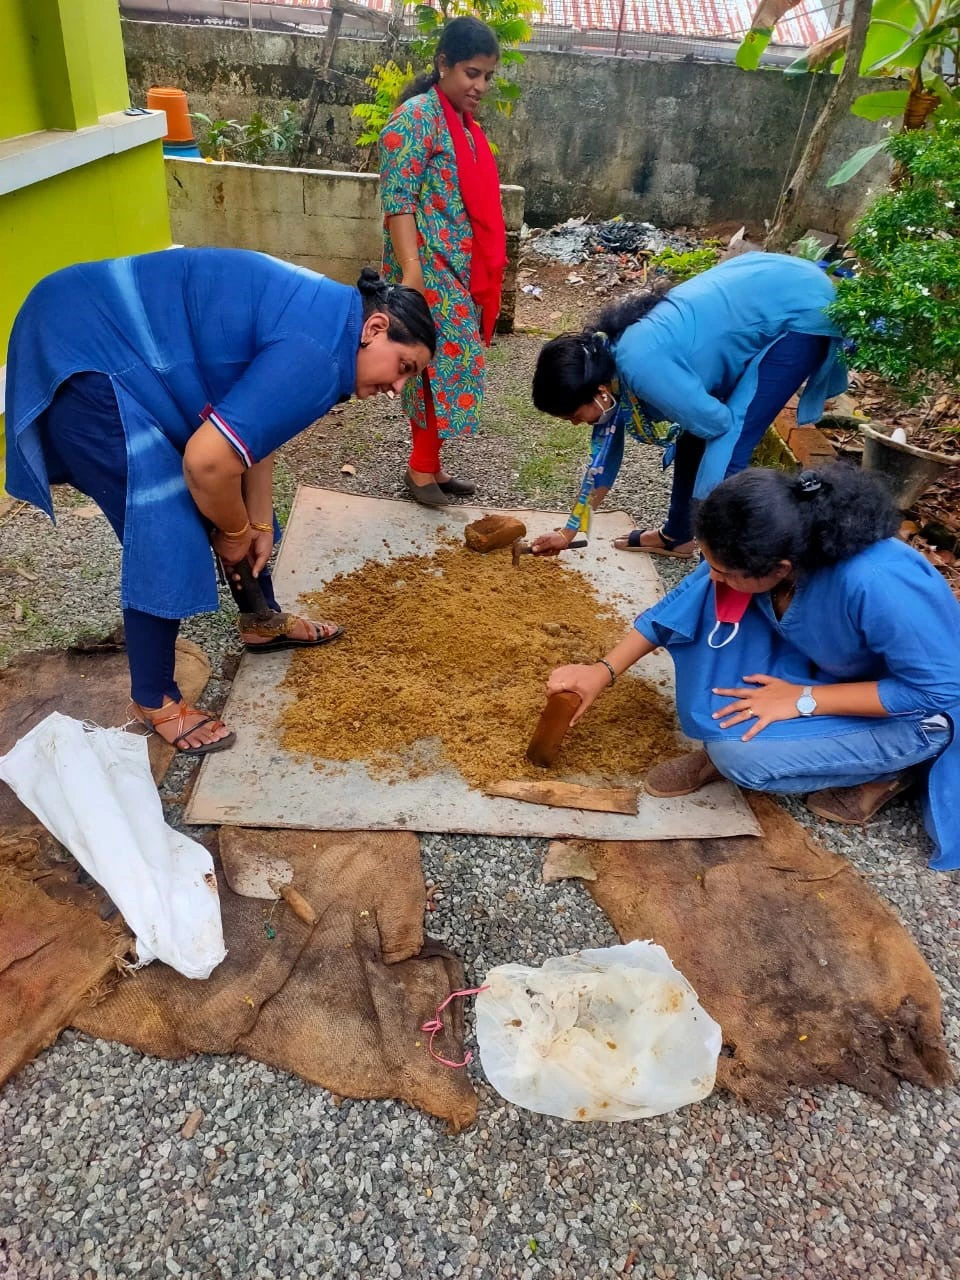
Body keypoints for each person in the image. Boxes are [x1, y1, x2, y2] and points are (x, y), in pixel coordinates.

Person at [4, 250, 435, 755]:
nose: (396, 388)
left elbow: (255, 432)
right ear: (376, 327)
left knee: (243, 509)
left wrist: (255, 521)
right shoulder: (320, 352)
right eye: (403, 367)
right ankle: (154, 697)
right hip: (86, 352)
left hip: (100, 330)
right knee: (168, 524)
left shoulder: (334, 323)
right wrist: (231, 533)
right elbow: (207, 464)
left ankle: (261, 620)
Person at [546, 464, 960, 872]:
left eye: (722, 569)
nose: (712, 574)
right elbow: (674, 611)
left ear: (779, 569)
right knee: (709, 604)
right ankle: (739, 738)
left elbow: (938, 692)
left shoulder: (881, 582)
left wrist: (802, 699)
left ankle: (890, 770)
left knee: (741, 757)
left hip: (915, 713)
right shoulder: (770, 541)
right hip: (834, 671)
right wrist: (601, 671)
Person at [529, 252, 848, 558]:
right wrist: (566, 533)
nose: (575, 423)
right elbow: (603, 460)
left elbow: (719, 424)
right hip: (766, 286)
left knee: (729, 447)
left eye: (573, 415)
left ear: (598, 393)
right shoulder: (606, 362)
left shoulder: (641, 365)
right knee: (692, 428)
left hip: (796, 308)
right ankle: (679, 536)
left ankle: (720, 568)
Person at [379, 15, 507, 507]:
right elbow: (399, 202)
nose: (480, 86)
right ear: (443, 65)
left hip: (456, 270)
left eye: (487, 76)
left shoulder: (465, 129)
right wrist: (412, 277)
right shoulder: (413, 119)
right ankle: (419, 470)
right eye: (472, 73)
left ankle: (430, 465)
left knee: (453, 366)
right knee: (433, 363)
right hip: (426, 270)